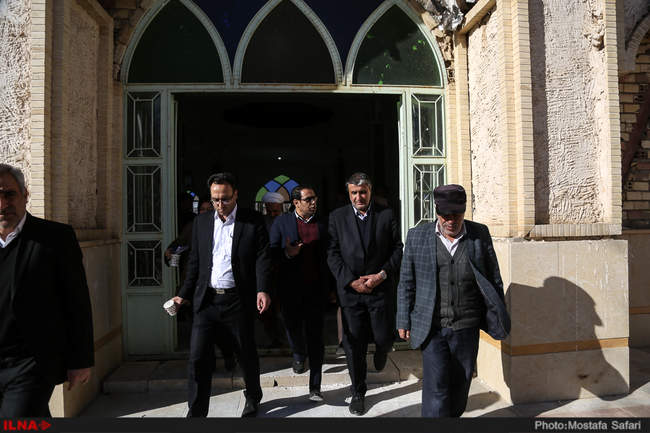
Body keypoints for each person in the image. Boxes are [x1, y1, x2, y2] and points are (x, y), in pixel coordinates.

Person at [396, 184, 510, 417]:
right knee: (436, 389)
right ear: (436, 211)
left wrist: (497, 312)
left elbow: (494, 277)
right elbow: (406, 281)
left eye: (456, 215)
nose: (450, 221)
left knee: (460, 386)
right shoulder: (417, 236)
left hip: (467, 326)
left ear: (464, 210)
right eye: (445, 215)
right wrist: (403, 319)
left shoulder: (479, 234)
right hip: (433, 327)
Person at [172, 172, 272, 418]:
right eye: (215, 199)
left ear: (236, 194)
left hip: (238, 300)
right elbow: (195, 262)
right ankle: (197, 412)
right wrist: (182, 295)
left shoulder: (252, 221)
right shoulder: (202, 222)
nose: (220, 204)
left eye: (225, 198)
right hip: (206, 301)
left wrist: (262, 289)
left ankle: (253, 396)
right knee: (197, 358)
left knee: (245, 353)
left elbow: (262, 257)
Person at [0, 163, 94, 417]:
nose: (2, 204)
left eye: (9, 194)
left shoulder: (55, 238)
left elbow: (76, 301)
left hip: (31, 363)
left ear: (25, 195)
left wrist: (80, 360)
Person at [327, 172, 403, 415]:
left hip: (379, 289)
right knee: (354, 344)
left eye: (363, 192)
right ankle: (358, 391)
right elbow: (332, 253)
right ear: (349, 193)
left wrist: (381, 275)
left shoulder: (386, 214)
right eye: (354, 193)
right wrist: (351, 281)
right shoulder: (337, 217)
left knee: (383, 336)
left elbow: (397, 249)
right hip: (351, 293)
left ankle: (382, 349)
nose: (358, 197)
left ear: (370, 191)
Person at [269, 185, 328, 402]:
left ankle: (315, 386)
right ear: (296, 203)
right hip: (290, 288)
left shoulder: (323, 223)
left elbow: (330, 255)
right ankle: (298, 353)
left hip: (316, 289)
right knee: (293, 326)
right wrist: (288, 253)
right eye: (308, 199)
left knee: (316, 337)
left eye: (315, 198)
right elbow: (271, 253)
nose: (313, 202)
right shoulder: (281, 222)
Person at [165, 199, 236, 371]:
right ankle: (207, 362)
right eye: (202, 209)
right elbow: (178, 245)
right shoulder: (193, 227)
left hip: (214, 286)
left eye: (208, 209)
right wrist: (170, 252)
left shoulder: (224, 227)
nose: (205, 212)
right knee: (200, 329)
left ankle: (228, 354)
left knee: (220, 329)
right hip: (194, 286)